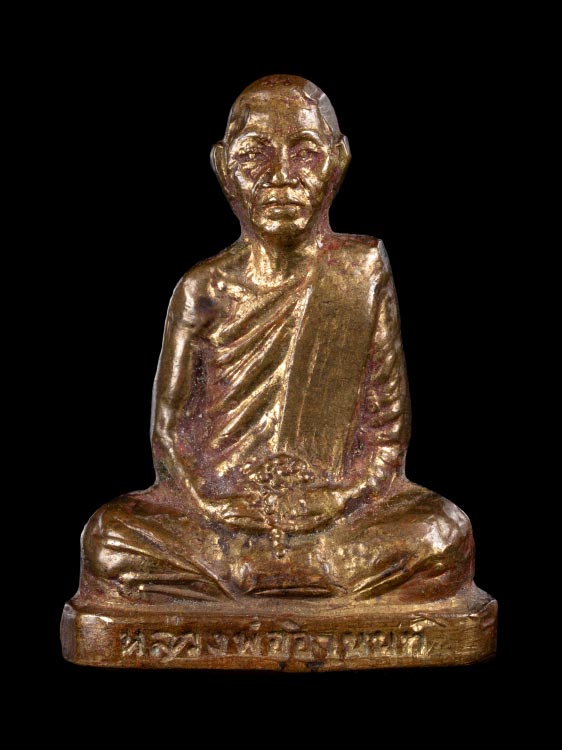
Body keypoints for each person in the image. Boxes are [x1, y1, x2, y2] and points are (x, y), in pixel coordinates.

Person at [79, 75, 474, 604]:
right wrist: (214, 507)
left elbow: (385, 438)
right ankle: (300, 579)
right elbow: (170, 439)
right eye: (255, 156)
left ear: (338, 162)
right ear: (223, 167)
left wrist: (336, 501)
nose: (282, 176)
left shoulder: (358, 273)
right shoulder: (203, 289)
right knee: (109, 537)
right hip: (223, 519)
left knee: (442, 532)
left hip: (331, 516)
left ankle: (257, 580)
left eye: (305, 153)